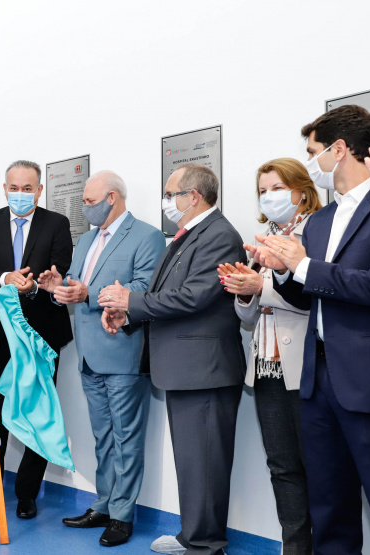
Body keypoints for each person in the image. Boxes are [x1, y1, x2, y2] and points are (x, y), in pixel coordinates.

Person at [100, 163, 246, 555]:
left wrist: (130, 300)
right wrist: (128, 313)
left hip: (206, 371)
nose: (166, 202)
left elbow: (194, 297)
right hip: (187, 369)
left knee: (205, 464)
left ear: (193, 196)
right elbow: (165, 296)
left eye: (171, 194)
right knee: (193, 463)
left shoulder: (219, 235)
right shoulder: (189, 235)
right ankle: (193, 535)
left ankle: (205, 543)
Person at [256, 105, 370, 555]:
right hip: (317, 378)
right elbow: (311, 296)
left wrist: (302, 265)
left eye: (314, 152)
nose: (311, 162)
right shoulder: (322, 220)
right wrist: (285, 272)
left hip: (366, 377)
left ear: (339, 149)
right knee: (329, 508)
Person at [39, 170, 164, 546]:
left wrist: (87, 293)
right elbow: (74, 284)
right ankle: (105, 504)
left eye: (90, 202)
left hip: (124, 350)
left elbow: (143, 289)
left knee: (127, 437)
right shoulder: (86, 240)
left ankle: (123, 517)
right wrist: (56, 289)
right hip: (89, 354)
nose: (85, 208)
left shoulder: (147, 236)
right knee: (103, 437)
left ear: (113, 197)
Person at [218, 158, 320, 555]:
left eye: (277, 188)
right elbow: (247, 316)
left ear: (300, 189)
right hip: (267, 368)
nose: (269, 196)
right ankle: (294, 547)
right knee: (282, 466)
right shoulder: (264, 239)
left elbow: (316, 302)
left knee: (319, 467)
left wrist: (263, 285)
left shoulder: (317, 232)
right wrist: (245, 290)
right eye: (263, 190)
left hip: (306, 367)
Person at [0, 160, 72, 520]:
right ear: (5, 188)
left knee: (38, 411)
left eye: (28, 188)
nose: (21, 194)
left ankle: (27, 494)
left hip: (42, 333)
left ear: (40, 191)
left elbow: (60, 268)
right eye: (15, 187)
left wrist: (34, 287)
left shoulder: (57, 224)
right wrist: (7, 278)